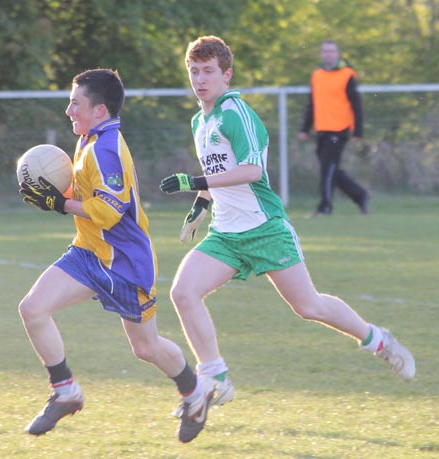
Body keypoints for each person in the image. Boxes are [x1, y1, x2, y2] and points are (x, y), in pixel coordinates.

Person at [159, 35, 415, 415]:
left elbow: (250, 170)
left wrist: (193, 183)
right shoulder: (200, 120)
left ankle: (378, 340)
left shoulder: (235, 113)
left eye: (209, 71)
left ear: (226, 76)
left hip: (265, 229)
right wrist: (200, 206)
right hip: (226, 236)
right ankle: (215, 376)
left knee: (309, 306)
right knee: (182, 292)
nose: (200, 79)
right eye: (194, 71)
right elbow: (219, 172)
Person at [18, 68, 213, 443]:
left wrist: (60, 203)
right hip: (89, 253)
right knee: (32, 308)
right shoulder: (90, 137)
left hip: (125, 263)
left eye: (76, 103)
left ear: (100, 110)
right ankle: (65, 391)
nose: (69, 111)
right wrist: (50, 193)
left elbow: (109, 211)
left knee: (146, 347)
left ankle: (195, 392)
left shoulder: (105, 149)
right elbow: (86, 197)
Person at [298, 40, 369, 216]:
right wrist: (305, 129)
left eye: (331, 51)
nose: (328, 54)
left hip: (340, 129)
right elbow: (312, 104)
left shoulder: (347, 75)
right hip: (322, 129)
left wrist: (358, 131)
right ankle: (360, 195)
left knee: (327, 169)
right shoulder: (317, 75)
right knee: (330, 170)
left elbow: (356, 104)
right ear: (321, 54)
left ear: (337, 54)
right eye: (325, 51)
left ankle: (325, 207)